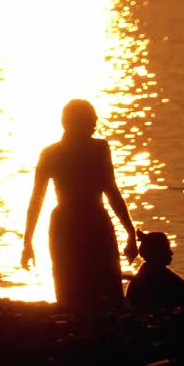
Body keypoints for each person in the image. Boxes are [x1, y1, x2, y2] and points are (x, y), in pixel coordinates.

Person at [22, 99, 138, 312]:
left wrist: (131, 232)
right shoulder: (90, 150)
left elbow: (112, 191)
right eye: (90, 119)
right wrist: (27, 242)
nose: (95, 123)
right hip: (82, 224)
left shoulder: (62, 152)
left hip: (80, 223)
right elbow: (36, 200)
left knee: (98, 289)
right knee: (74, 289)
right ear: (73, 123)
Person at [125, 231, 184, 309]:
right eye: (166, 249)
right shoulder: (156, 277)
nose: (171, 253)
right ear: (156, 253)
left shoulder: (151, 272)